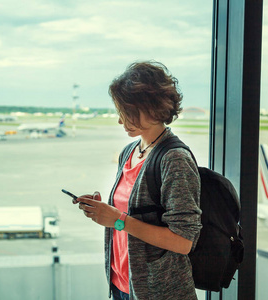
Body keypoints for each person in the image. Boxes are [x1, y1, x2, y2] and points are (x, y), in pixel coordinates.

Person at [75, 61, 202, 300]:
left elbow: (184, 241)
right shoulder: (129, 151)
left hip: (159, 293)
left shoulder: (174, 159)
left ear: (152, 107)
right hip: (122, 287)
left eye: (127, 112)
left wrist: (118, 220)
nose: (121, 121)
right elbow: (131, 211)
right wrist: (103, 209)